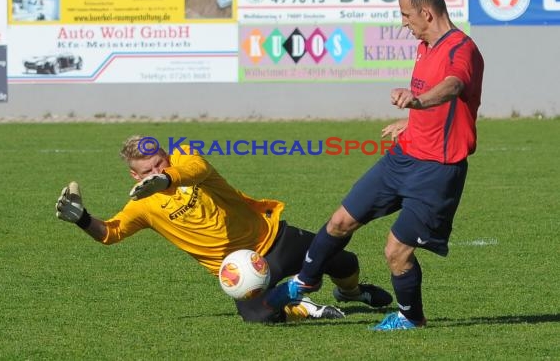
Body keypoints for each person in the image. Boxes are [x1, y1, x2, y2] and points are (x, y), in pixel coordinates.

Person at [265, 0, 484, 330]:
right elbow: (433, 102)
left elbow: (453, 86)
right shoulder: (424, 45)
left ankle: (411, 318)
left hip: (437, 170)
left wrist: (418, 102)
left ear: (426, 13)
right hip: (403, 156)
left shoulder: (461, 49)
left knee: (396, 252)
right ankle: (303, 282)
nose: (403, 23)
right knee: (340, 220)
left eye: (406, 15)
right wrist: (411, 121)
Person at [55, 135, 392, 324]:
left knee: (343, 261)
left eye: (161, 162)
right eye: (148, 170)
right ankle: (304, 307)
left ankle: (350, 293)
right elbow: (110, 233)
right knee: (259, 318)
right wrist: (83, 218)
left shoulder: (185, 160)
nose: (157, 170)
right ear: (134, 176)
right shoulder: (141, 205)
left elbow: (196, 167)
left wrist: (167, 177)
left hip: (271, 238)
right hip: (237, 270)